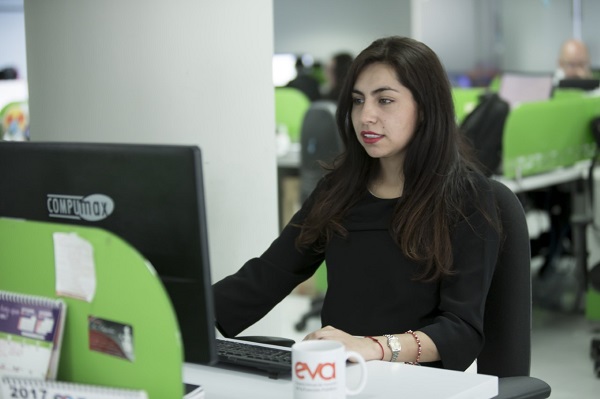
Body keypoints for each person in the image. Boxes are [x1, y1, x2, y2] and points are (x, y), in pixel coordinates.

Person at [213, 36, 501, 371]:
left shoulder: (465, 196)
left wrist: (371, 347)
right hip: (341, 379)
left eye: (385, 101)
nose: (366, 116)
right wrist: (175, 313)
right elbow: (267, 276)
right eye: (357, 101)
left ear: (425, 109)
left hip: (417, 385)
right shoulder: (339, 190)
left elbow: (461, 330)